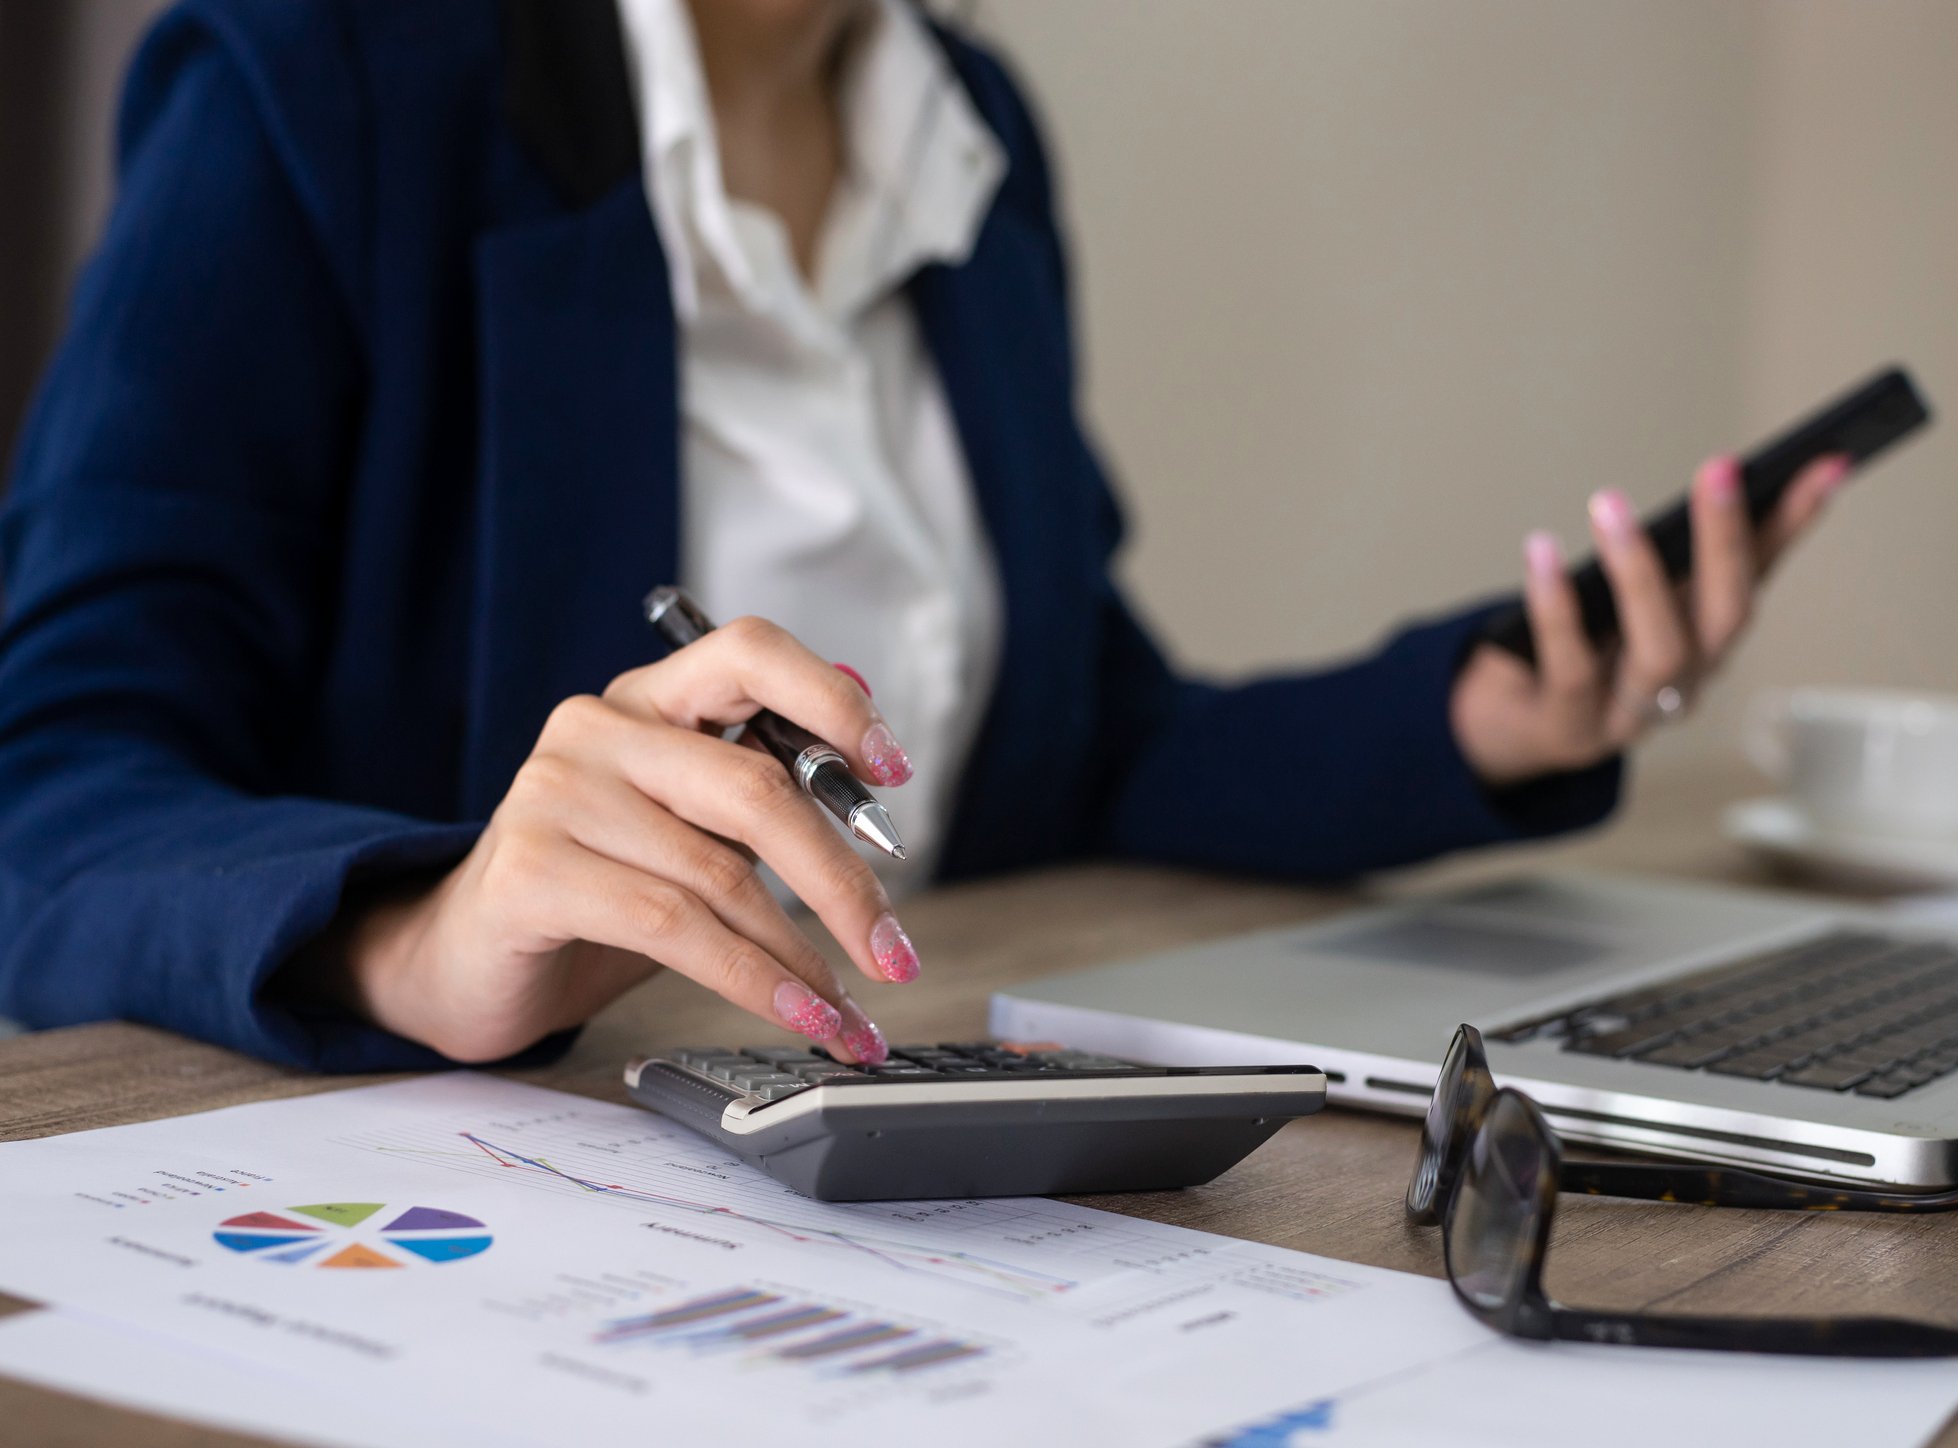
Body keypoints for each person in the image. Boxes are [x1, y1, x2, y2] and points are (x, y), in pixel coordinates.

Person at [0, 0, 1846, 1073]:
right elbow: (49, 780)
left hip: (915, 1144)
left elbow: (1078, 743)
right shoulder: (321, 76)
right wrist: (422, 930)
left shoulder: (972, 139)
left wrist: (1482, 721)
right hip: (465, 1217)